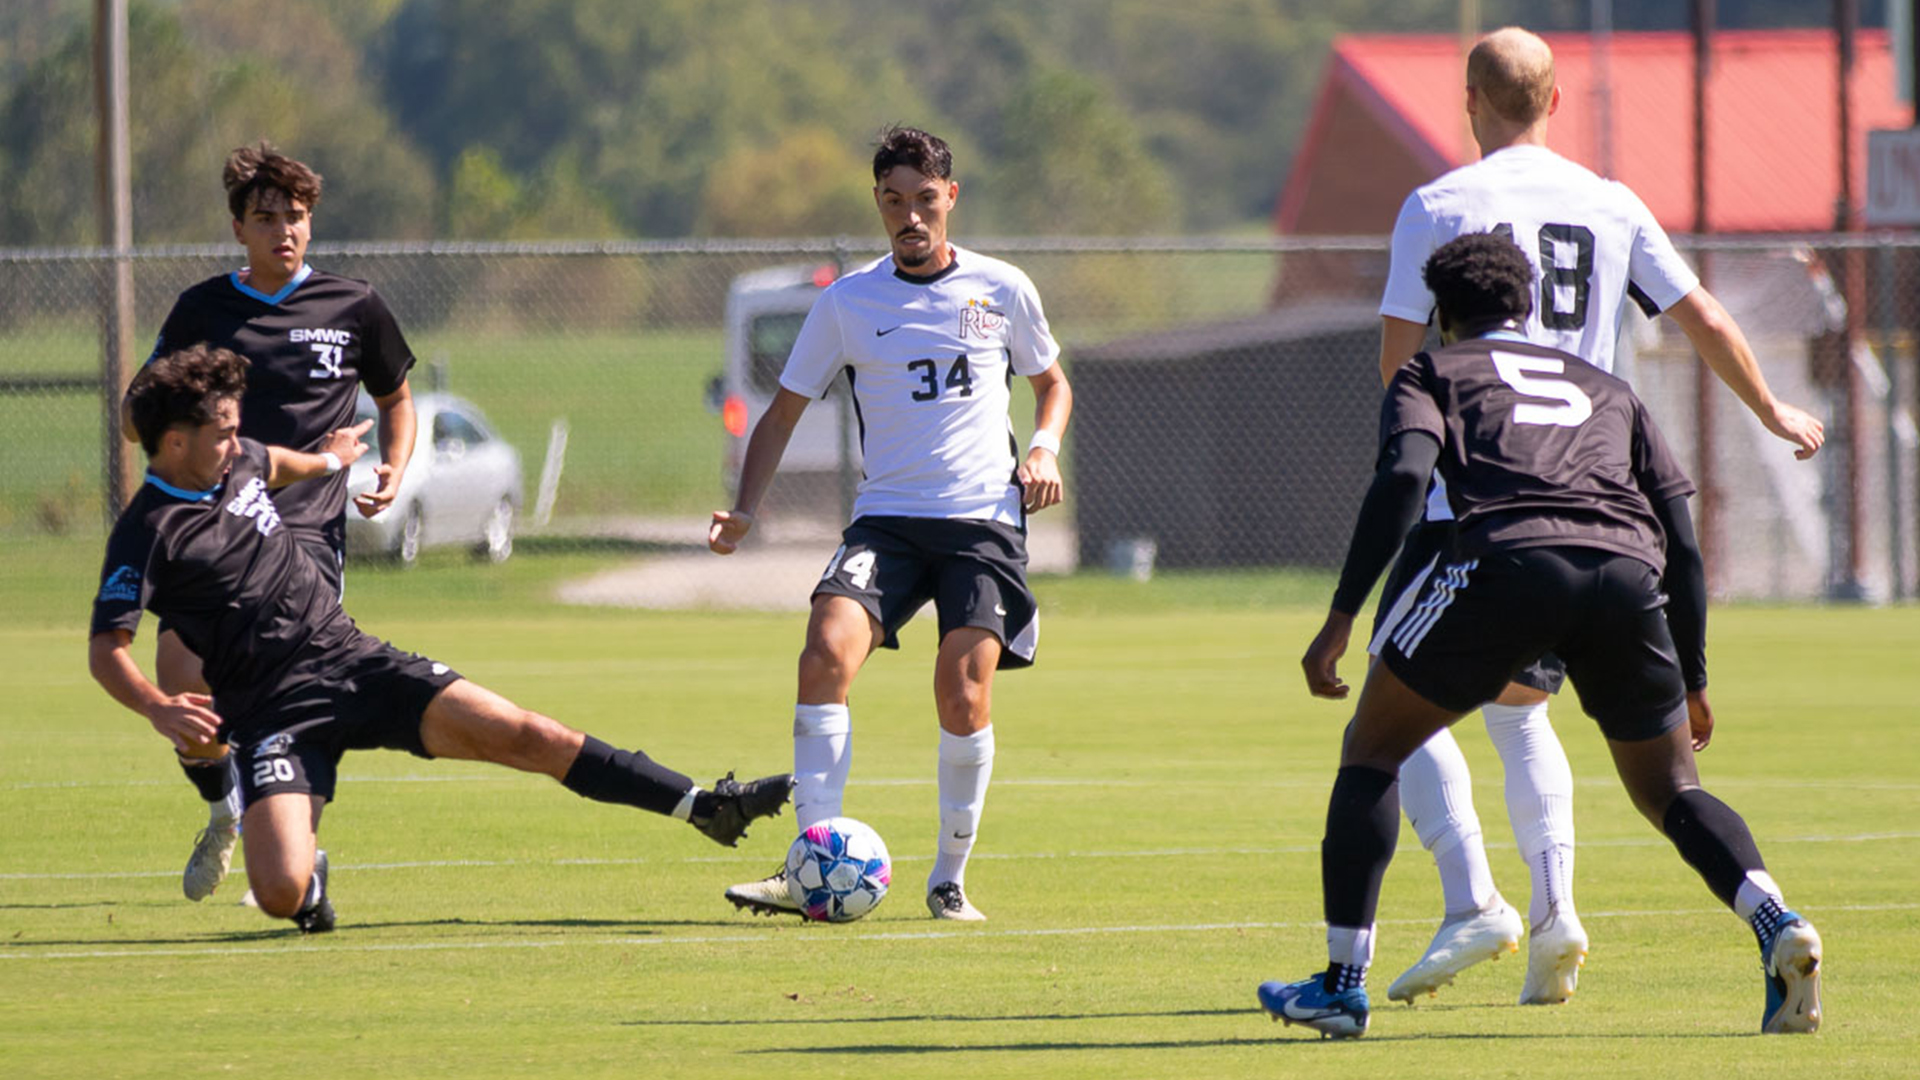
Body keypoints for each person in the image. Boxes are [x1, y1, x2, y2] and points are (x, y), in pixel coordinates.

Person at [1255, 233, 1822, 1039]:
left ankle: (1344, 986)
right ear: (1525, 307)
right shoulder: (1607, 386)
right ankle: (1777, 922)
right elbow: (1683, 540)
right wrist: (1693, 676)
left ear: (1443, 314)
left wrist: (1342, 615)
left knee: (1374, 748)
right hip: (1627, 576)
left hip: (1505, 564)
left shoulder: (1431, 371)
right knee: (1673, 791)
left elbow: (1406, 479)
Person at [1370, 26, 1826, 1006]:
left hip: (1482, 497)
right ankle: (1558, 918)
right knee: (1531, 715)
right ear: (1556, 101)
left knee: (1390, 695)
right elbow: (1700, 312)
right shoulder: (1610, 203)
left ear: (1469, 100)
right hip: (1602, 497)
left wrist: (1416, 459)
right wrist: (1775, 410)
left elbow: (1399, 359)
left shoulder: (1438, 205)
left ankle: (1472, 902)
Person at [91, 344, 793, 933]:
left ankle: (706, 804)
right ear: (174, 442)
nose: (232, 442)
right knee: (277, 893)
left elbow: (274, 461)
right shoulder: (148, 531)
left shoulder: (235, 457)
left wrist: (333, 462)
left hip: (351, 660)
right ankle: (309, 884)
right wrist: (157, 706)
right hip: (271, 714)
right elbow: (106, 648)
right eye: (218, 433)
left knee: (527, 733)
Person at [708, 126, 1072, 921]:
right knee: (824, 651)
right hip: (889, 523)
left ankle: (949, 879)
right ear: (878, 203)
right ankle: (810, 867)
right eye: (894, 202)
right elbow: (781, 412)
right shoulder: (847, 302)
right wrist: (744, 509)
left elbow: (1053, 385)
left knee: (962, 689)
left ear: (951, 198)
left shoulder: (1002, 288)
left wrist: (1043, 450)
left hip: (982, 524)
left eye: (925, 200)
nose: (911, 217)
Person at [133, 142, 422, 903]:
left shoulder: (352, 305)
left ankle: (291, 852)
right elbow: (141, 408)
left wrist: (394, 462)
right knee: (181, 683)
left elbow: (396, 398)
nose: (283, 231)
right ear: (238, 228)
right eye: (266, 218)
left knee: (272, 693)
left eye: (295, 217)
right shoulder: (203, 309)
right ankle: (228, 811)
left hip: (302, 533)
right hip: (205, 533)